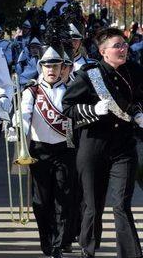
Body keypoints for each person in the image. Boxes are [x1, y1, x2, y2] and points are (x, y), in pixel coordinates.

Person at [63, 27, 143, 258]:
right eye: (117, 45)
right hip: (94, 146)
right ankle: (88, 251)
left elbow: (139, 97)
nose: (123, 49)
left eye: (125, 44)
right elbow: (67, 107)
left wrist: (138, 112)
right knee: (93, 205)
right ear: (103, 51)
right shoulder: (90, 75)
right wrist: (92, 110)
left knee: (121, 204)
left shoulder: (135, 71)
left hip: (123, 147)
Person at [15, 34, 74, 258]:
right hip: (39, 150)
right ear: (41, 67)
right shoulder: (32, 91)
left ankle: (58, 244)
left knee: (63, 197)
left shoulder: (70, 91)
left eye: (56, 66)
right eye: (47, 65)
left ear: (62, 68)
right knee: (41, 201)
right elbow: (24, 114)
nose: (51, 69)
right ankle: (46, 240)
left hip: (64, 149)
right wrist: (17, 128)